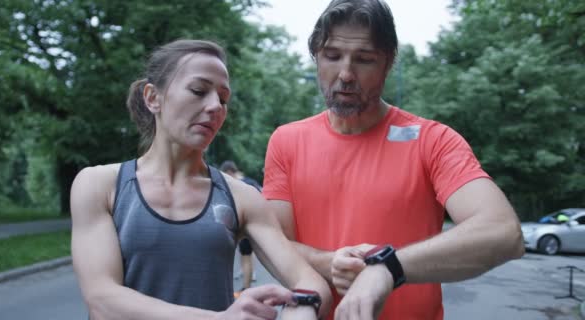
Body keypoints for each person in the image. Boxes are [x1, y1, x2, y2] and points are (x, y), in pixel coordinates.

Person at [262, 1, 525, 319]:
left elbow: (503, 233)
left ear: (388, 63)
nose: (345, 74)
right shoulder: (286, 140)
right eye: (332, 56)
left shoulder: (433, 140)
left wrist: (388, 267)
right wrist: (329, 263)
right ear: (316, 57)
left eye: (365, 60)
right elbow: (272, 243)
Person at [70, 39, 331, 320]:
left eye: (223, 98)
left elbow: (311, 283)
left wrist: (302, 309)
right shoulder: (99, 185)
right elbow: (102, 299)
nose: (215, 106)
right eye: (198, 90)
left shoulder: (241, 197)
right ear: (152, 97)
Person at [219, 160, 259, 295]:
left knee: (246, 256)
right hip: (249, 224)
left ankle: (246, 290)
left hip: (245, 224)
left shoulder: (241, 185)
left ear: (230, 172)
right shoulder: (250, 182)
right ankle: (246, 287)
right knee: (245, 255)